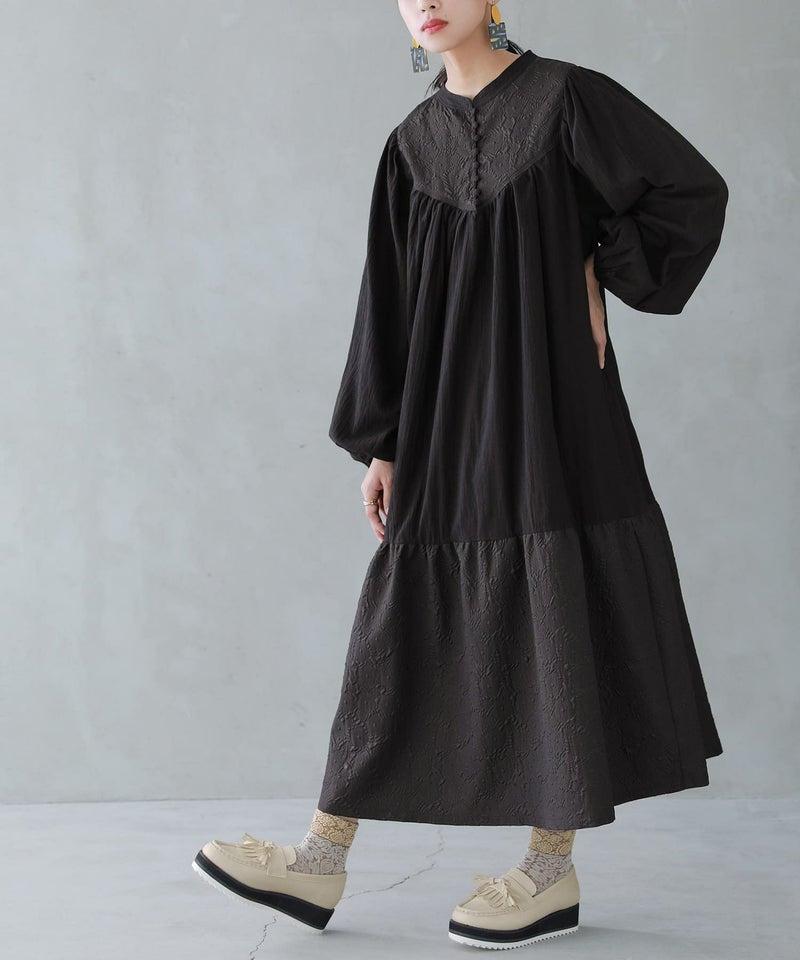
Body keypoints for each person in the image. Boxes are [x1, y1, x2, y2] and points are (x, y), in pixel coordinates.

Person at [193, 1, 728, 948]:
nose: (427, 0)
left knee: (557, 604)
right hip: (444, 415)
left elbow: (689, 190)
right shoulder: (409, 146)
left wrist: (597, 264)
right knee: (400, 615)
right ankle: (321, 858)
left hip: (555, 405)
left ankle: (550, 869)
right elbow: (388, 299)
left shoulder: (568, 101)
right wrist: (385, 442)